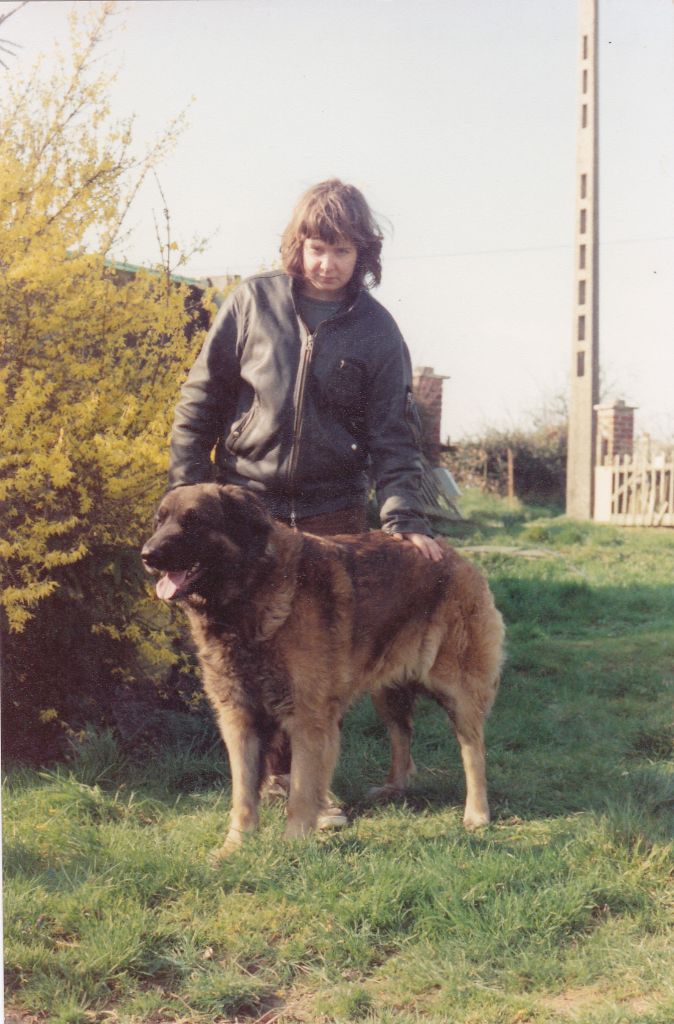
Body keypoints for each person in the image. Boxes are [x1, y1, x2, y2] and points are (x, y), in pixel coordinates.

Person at [168, 179, 443, 820]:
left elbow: (393, 435)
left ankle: (307, 793)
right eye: (317, 248)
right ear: (298, 245)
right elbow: (200, 401)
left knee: (313, 661)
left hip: (331, 512)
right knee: (243, 649)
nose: (327, 264)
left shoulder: (378, 330)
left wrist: (405, 516)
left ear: (363, 254)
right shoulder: (251, 302)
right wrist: (187, 487)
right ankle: (270, 780)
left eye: (342, 251)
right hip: (246, 507)